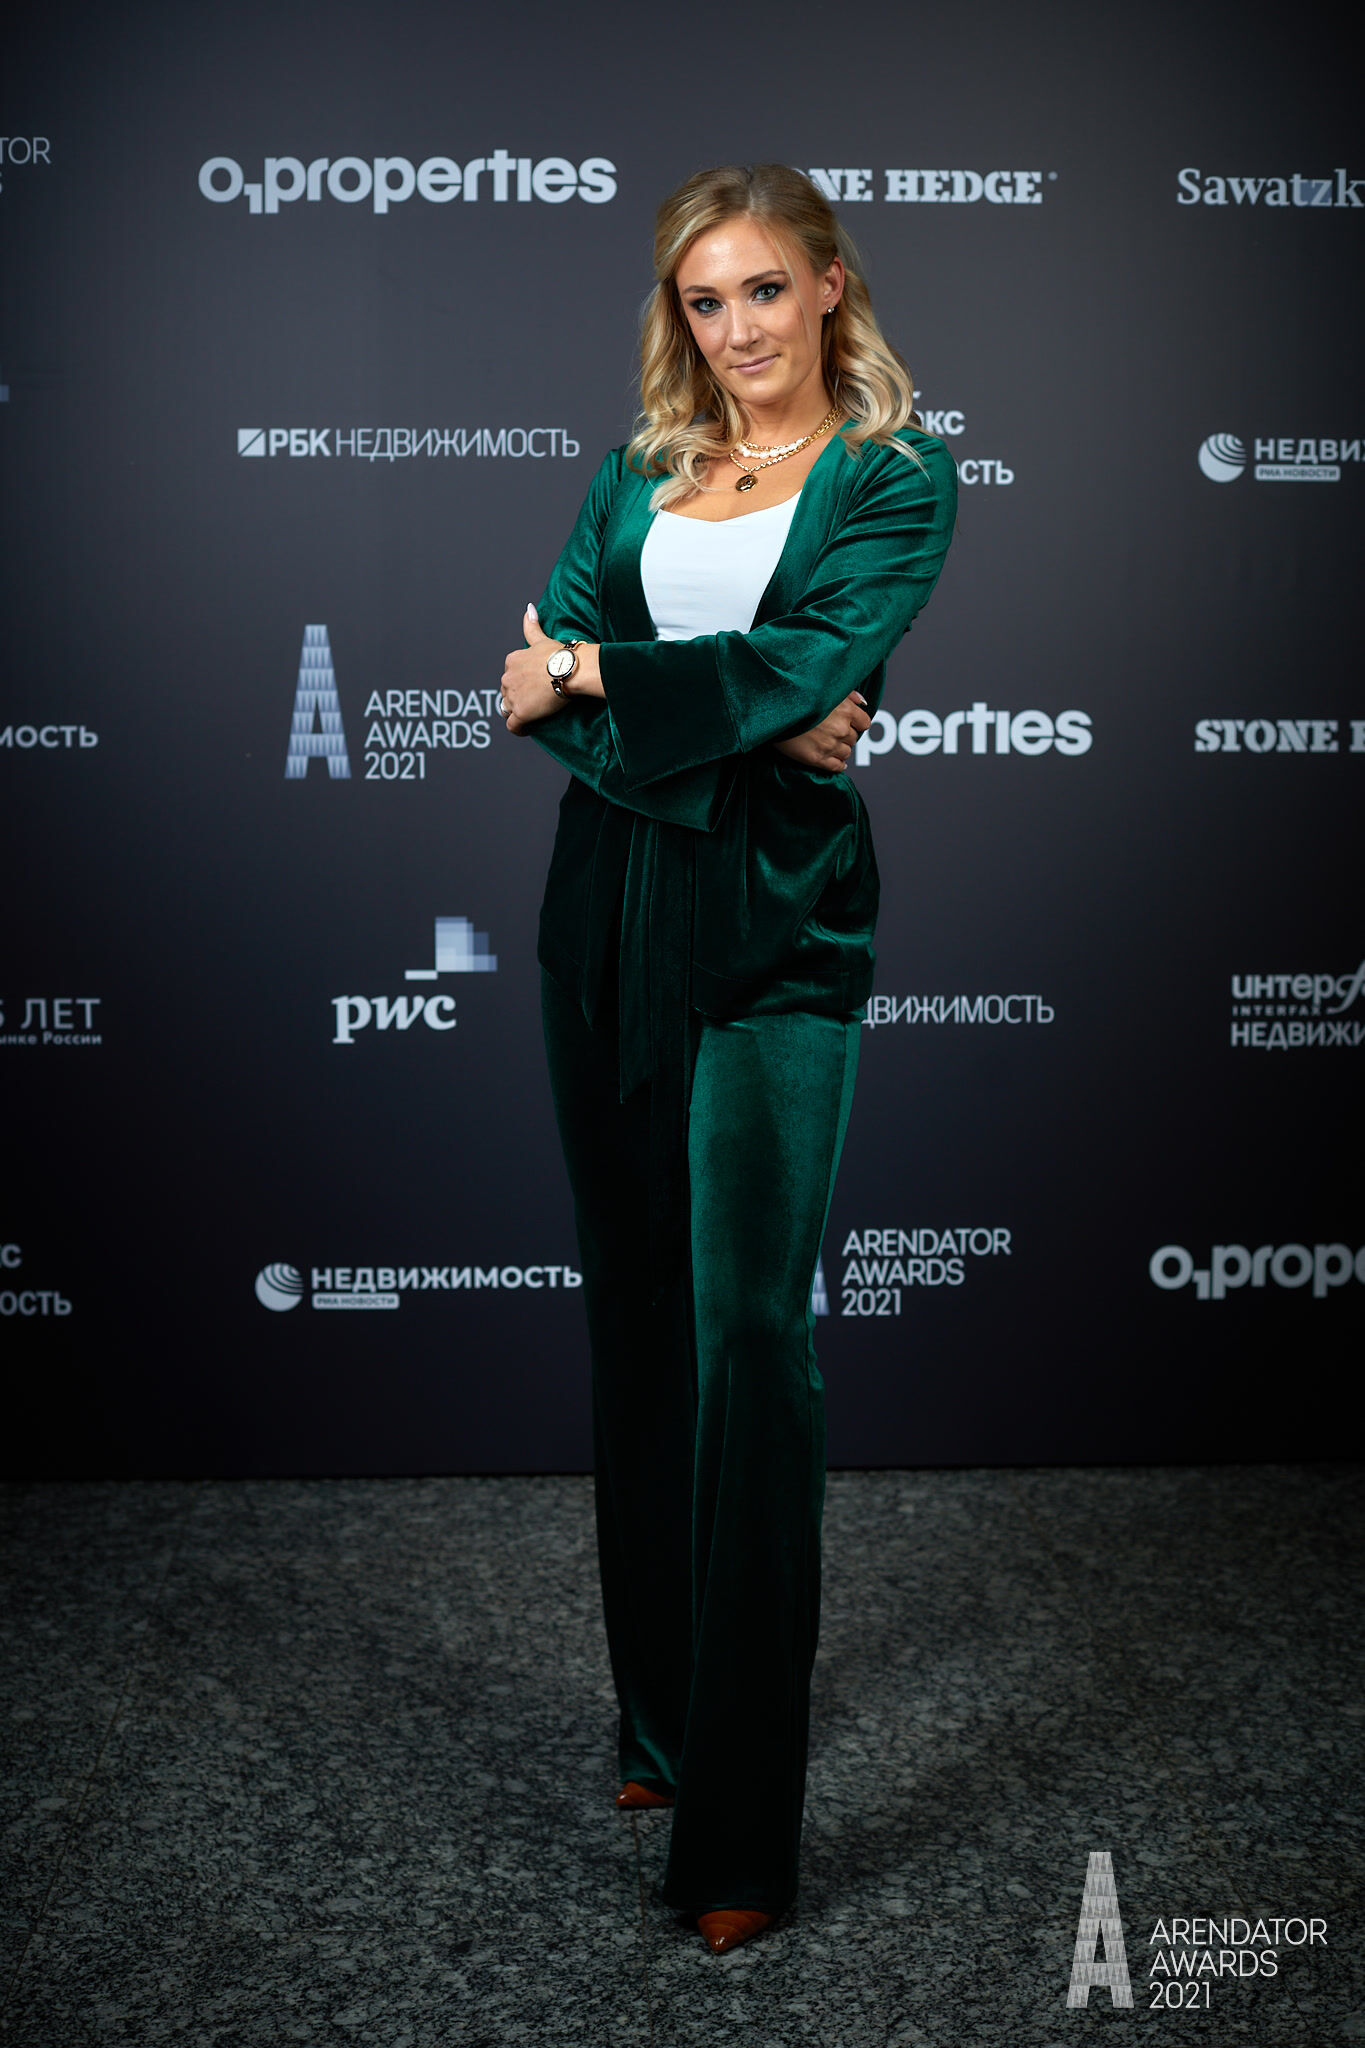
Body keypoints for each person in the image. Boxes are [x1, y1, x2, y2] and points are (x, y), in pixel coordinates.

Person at [498, 162, 957, 1953]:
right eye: (705, 300)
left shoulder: (893, 476)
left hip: (778, 931)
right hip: (602, 926)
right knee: (638, 1325)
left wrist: (602, 676)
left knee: (751, 1348)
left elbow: (807, 663)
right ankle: (662, 1726)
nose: (738, 328)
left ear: (828, 285)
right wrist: (706, 699)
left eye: (765, 289)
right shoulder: (636, 467)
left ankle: (739, 1832)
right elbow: (554, 685)